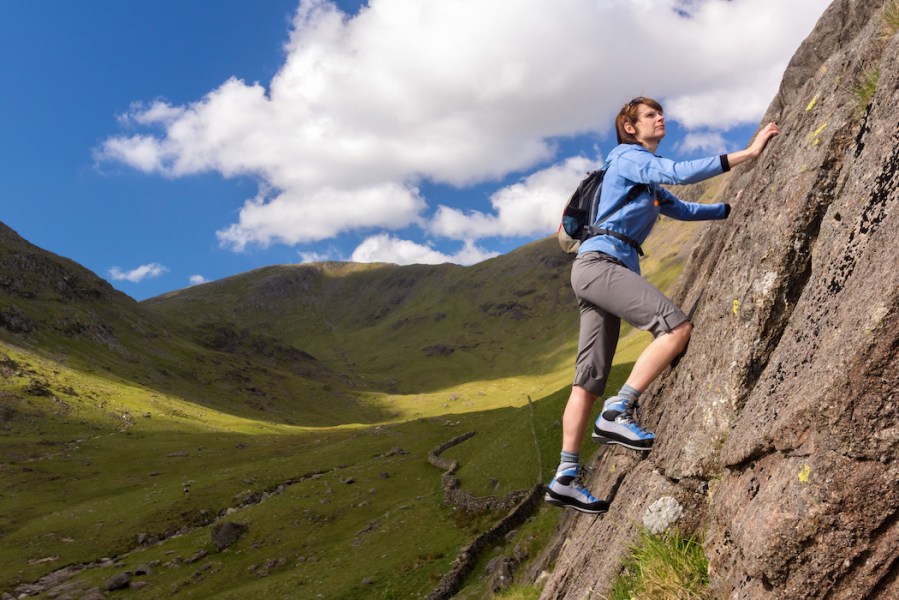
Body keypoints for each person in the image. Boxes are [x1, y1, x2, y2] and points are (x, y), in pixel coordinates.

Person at [545, 97, 780, 513]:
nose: (661, 118)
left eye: (660, 113)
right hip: (602, 265)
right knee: (675, 328)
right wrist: (749, 153)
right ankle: (620, 410)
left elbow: (683, 208)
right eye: (651, 115)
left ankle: (565, 475)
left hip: (591, 269)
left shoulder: (644, 182)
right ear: (630, 127)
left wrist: (727, 209)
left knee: (588, 379)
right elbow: (678, 172)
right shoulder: (629, 157)